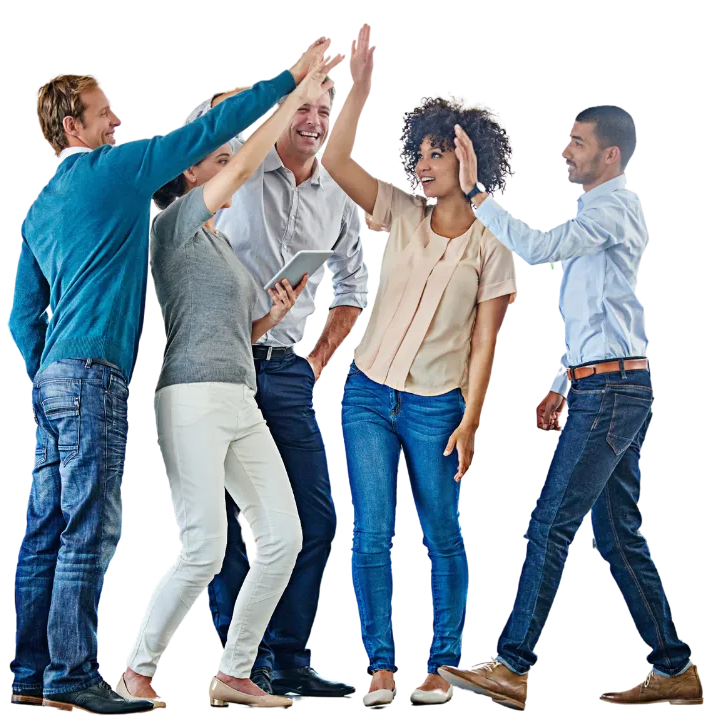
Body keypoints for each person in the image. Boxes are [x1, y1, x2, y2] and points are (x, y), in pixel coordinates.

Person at [9, 40, 333, 716]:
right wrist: (290, 80)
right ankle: (73, 679)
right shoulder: (118, 173)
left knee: (46, 525)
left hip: (57, 378)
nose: (116, 118)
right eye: (103, 111)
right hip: (97, 371)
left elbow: (27, 312)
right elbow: (212, 134)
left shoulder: (40, 206)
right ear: (74, 128)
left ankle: (31, 673)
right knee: (89, 531)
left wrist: (45, 378)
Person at [437, 105, 704, 710]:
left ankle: (511, 665)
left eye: (577, 143)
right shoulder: (596, 214)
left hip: (612, 392)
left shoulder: (611, 209)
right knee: (613, 533)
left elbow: (535, 245)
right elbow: (599, 312)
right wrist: (562, 380)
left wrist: (478, 191)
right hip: (605, 385)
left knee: (550, 524)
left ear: (609, 155)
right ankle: (674, 667)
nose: (564, 151)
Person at [116, 55, 343, 711]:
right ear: (193, 173)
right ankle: (138, 667)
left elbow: (240, 332)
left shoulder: (219, 246)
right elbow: (246, 163)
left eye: (228, 163)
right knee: (206, 545)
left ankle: (234, 672)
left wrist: (278, 306)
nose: (233, 168)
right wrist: (291, 96)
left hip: (238, 392)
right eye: (220, 162)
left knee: (285, 534)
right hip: (190, 395)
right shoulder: (175, 226)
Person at [321, 23, 518, 707]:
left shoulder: (495, 245)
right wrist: (361, 88)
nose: (425, 165)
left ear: (470, 159)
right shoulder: (401, 212)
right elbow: (337, 161)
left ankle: (442, 663)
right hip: (370, 394)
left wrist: (469, 423)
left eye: (441, 153)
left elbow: (483, 347)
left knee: (440, 531)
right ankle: (379, 665)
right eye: (421, 153)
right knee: (372, 530)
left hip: (437, 405)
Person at [203, 44, 372, 702]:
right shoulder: (237, 173)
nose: (315, 119)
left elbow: (353, 289)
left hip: (287, 373)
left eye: (324, 109)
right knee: (224, 522)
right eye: (303, 106)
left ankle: (289, 656)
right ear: (277, 117)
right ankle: (237, 660)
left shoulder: (338, 197)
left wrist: (315, 361)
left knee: (314, 517)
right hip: (222, 365)